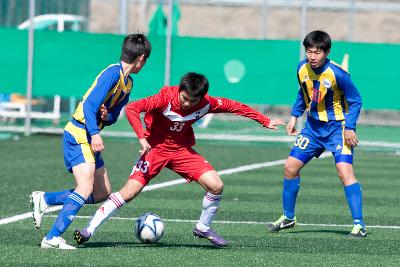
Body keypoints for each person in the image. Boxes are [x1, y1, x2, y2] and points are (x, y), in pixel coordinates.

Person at [74, 72, 285, 247]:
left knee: (216, 185)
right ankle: (88, 230)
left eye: (192, 101)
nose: (187, 104)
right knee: (129, 192)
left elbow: (234, 106)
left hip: (181, 151)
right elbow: (132, 109)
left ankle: (203, 228)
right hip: (155, 149)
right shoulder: (165, 97)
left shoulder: (206, 103)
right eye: (184, 98)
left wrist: (264, 120)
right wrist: (142, 137)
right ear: (180, 91)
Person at [30, 33, 152, 249]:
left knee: (101, 192)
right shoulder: (112, 74)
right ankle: (52, 237)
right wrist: (95, 132)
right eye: (146, 60)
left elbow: (113, 115)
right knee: (85, 187)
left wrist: (107, 117)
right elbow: (88, 105)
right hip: (79, 133)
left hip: (88, 136)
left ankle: (46, 199)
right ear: (141, 57)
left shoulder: (128, 84)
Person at [266, 30, 365, 237]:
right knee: (290, 168)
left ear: (326, 52)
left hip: (337, 130)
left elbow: (356, 100)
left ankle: (359, 225)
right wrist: (294, 115)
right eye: (309, 51)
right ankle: (288, 218)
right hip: (312, 129)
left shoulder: (338, 74)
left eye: (317, 52)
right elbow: (304, 93)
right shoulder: (301, 68)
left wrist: (350, 128)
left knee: (344, 172)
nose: (312, 56)